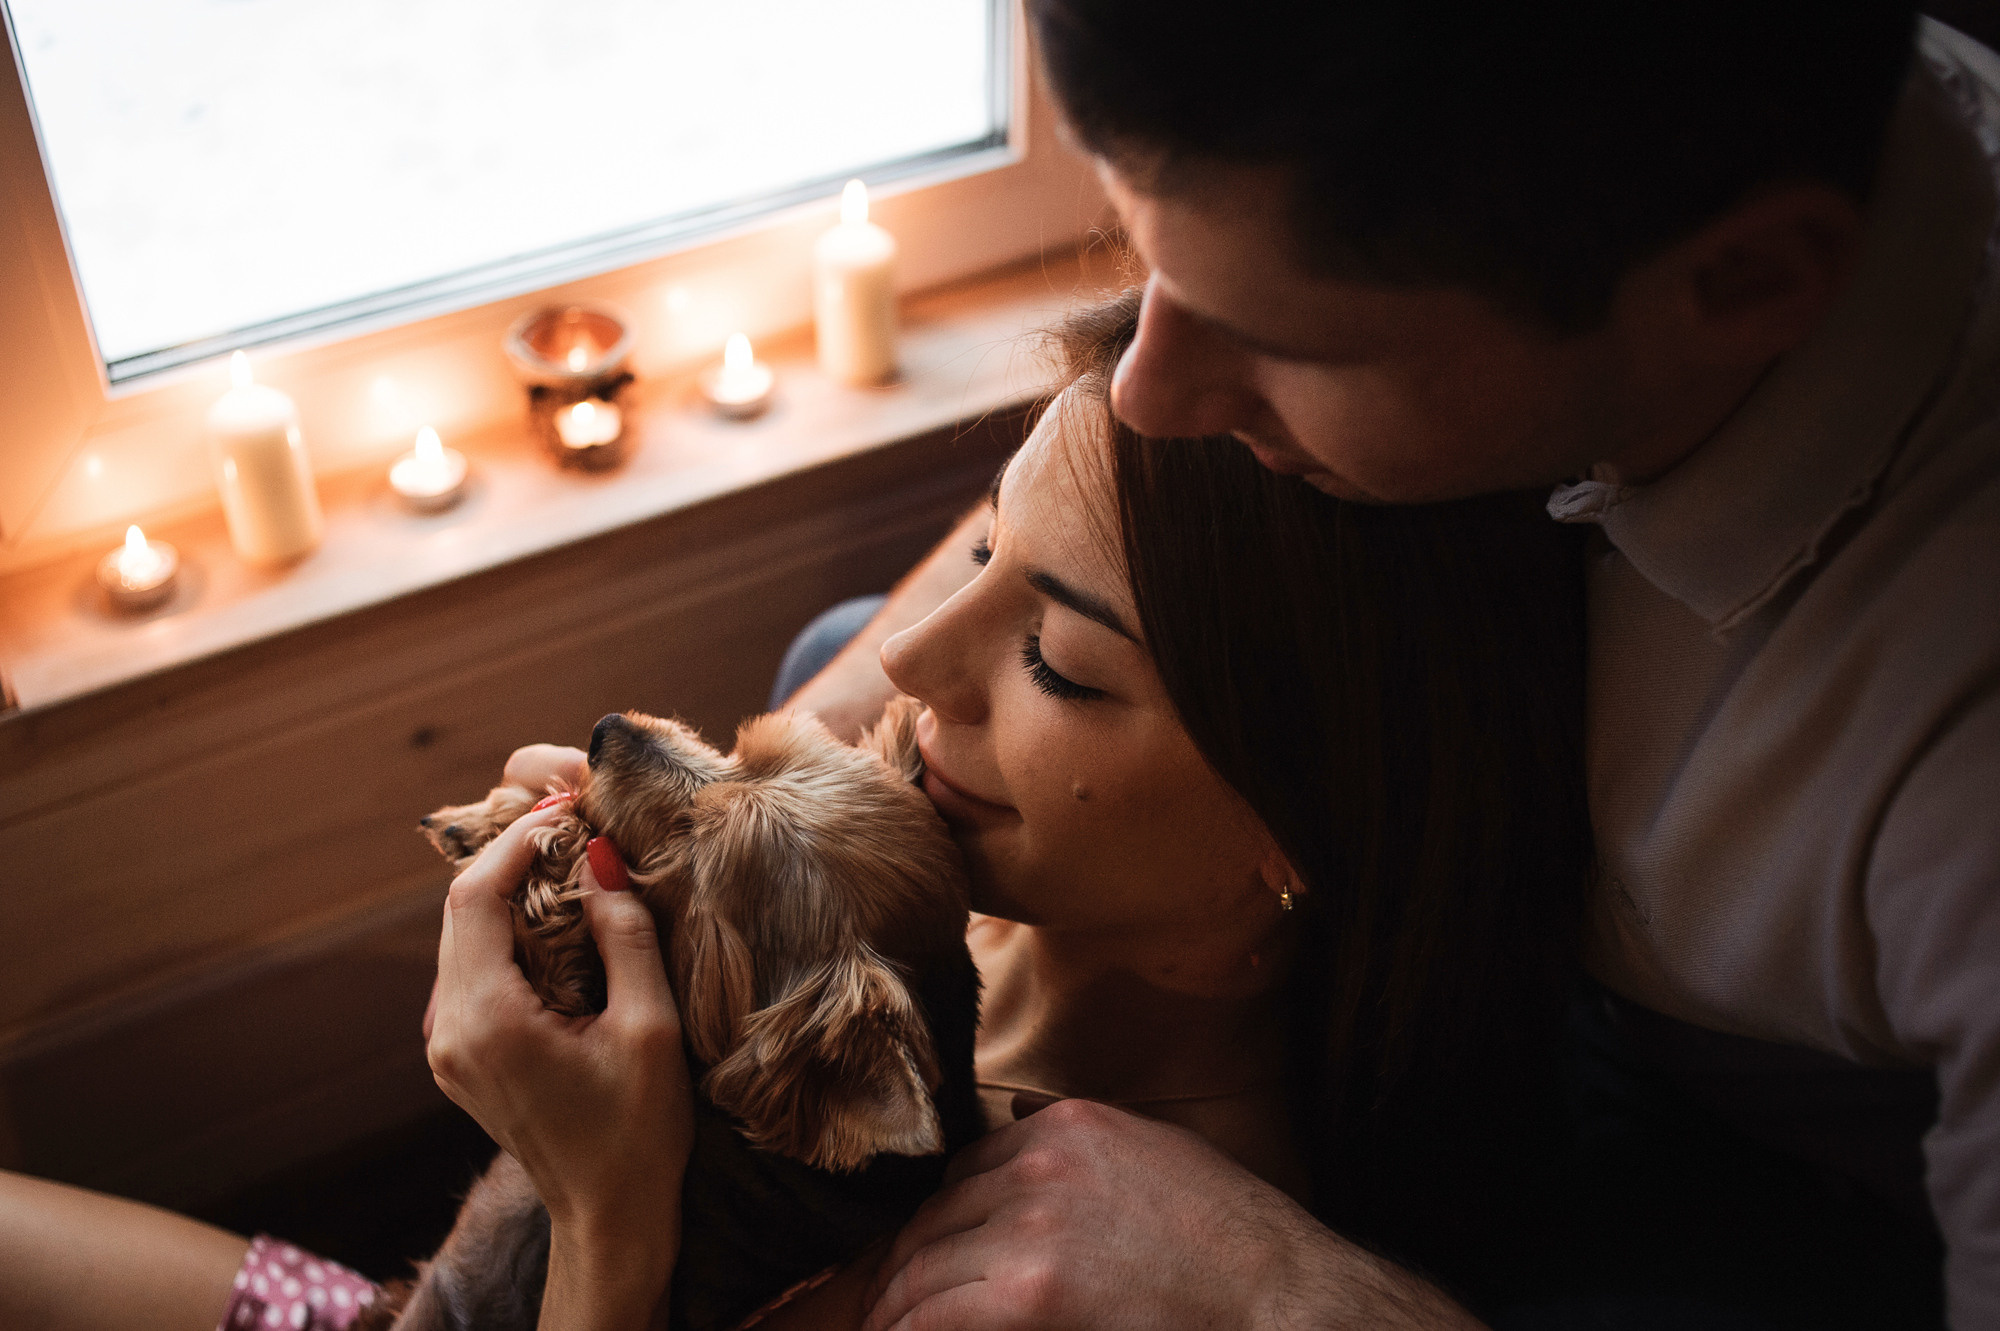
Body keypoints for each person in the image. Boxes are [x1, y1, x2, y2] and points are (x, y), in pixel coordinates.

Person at [0, 294, 1588, 1330]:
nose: (900, 657)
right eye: (980, 554)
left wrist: (599, 1205)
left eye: (1054, 658)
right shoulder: (959, 846)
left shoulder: (1053, 1266)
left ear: (1286, 843)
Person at [793, 3, 2000, 1328]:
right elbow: (1104, 475)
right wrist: (803, 757)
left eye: (1287, 342)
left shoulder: (1956, 771)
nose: (1153, 389)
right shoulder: (1445, 196)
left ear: (1744, 287)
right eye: (1154, 261)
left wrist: (1276, 1284)